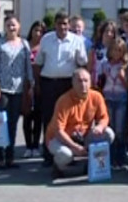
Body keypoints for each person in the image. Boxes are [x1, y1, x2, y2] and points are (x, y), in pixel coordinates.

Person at [34, 11, 88, 166]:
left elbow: (82, 63)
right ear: (55, 25)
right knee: (49, 117)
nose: (62, 27)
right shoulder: (46, 39)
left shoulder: (76, 41)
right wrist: (37, 84)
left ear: (69, 25)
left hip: (67, 83)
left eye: (65, 24)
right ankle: (48, 153)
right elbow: (38, 63)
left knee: (67, 118)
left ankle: (67, 152)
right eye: (59, 23)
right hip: (49, 82)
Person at [45, 68, 114, 179]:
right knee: (65, 155)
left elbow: (104, 117)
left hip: (83, 135)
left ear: (91, 82)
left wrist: (100, 127)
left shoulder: (96, 96)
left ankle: (92, 165)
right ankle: (58, 167)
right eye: (79, 81)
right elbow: (58, 131)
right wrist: (75, 147)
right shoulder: (64, 100)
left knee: (108, 133)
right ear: (73, 83)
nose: (83, 84)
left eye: (86, 81)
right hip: (59, 138)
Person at [0, 15, 34, 169]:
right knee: (0, 123)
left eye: (14, 25)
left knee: (13, 124)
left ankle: (10, 157)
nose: (11, 28)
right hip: (3, 89)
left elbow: (28, 66)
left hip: (19, 89)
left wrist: (31, 85)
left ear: (19, 27)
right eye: (8, 25)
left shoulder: (24, 44)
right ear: (5, 26)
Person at [98, 39, 128, 170]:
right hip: (107, 97)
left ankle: (121, 159)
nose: (116, 53)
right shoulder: (105, 64)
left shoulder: (127, 65)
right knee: (109, 129)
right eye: (114, 50)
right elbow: (100, 82)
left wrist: (122, 77)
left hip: (121, 97)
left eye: (119, 50)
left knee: (120, 129)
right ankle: (110, 159)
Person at [23, 20, 46, 159]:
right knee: (27, 116)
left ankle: (36, 146)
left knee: (38, 116)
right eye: (36, 30)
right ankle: (28, 146)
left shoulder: (44, 47)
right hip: (26, 84)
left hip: (40, 84)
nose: (38, 33)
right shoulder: (25, 45)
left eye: (41, 31)